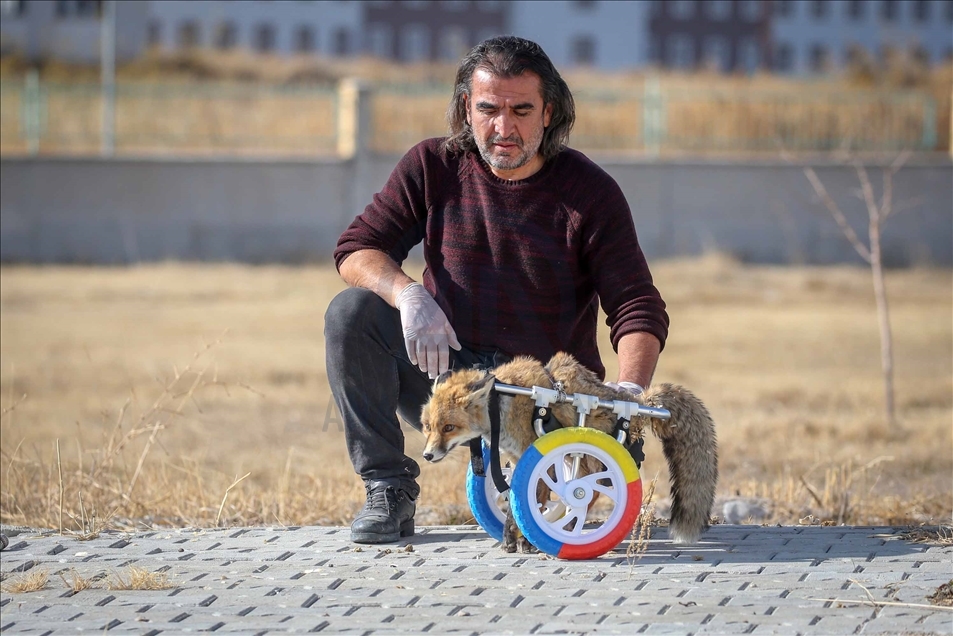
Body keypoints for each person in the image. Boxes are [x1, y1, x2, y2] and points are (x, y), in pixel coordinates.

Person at [325, 36, 669, 544]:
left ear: (549, 112)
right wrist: (408, 295)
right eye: (488, 109)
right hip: (449, 377)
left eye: (522, 110)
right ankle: (388, 488)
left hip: (540, 395)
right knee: (351, 314)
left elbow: (637, 305)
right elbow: (357, 249)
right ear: (467, 107)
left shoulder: (590, 192)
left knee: (534, 534)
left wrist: (627, 396)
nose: (504, 128)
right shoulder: (431, 165)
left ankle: (543, 483)